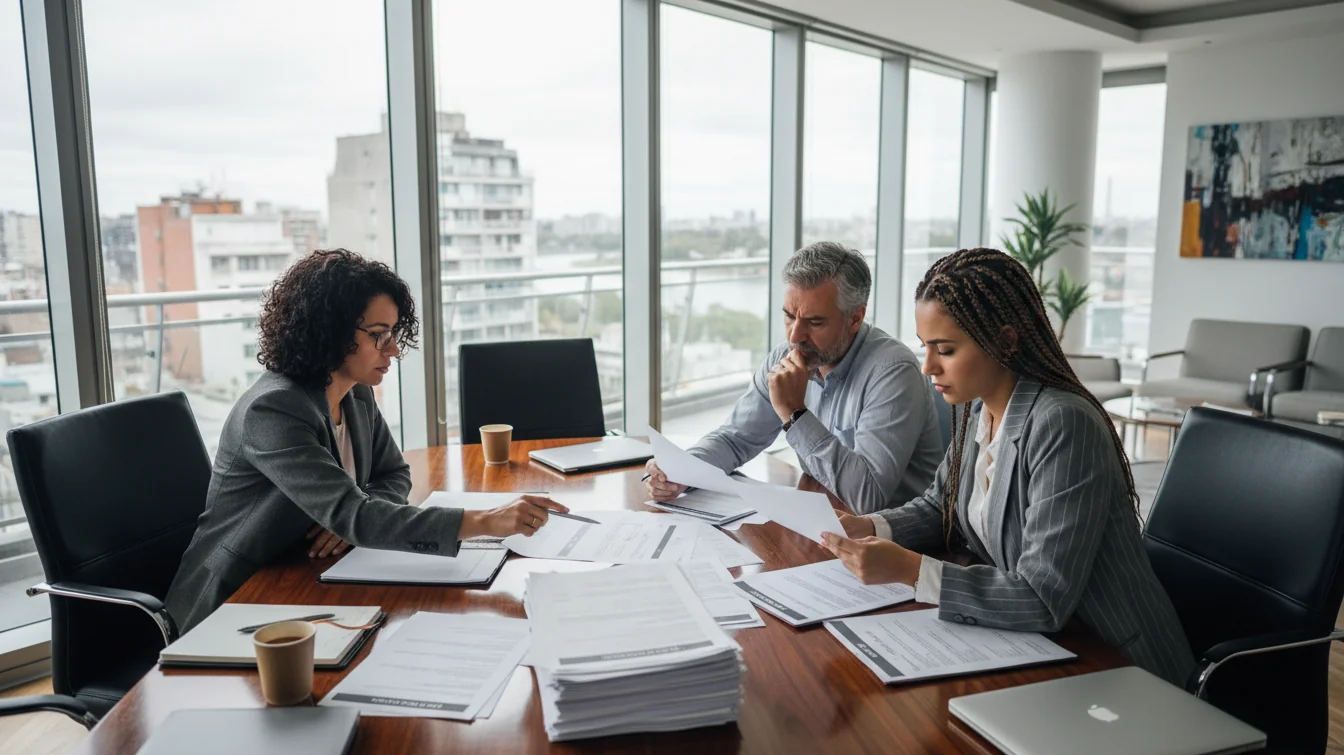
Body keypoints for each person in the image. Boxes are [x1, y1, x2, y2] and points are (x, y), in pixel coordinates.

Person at [820, 247, 1194, 686]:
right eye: (926, 347)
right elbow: (940, 506)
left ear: (1005, 341)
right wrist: (869, 527)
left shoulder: (1062, 423)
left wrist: (911, 571)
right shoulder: (980, 410)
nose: (928, 367)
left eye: (945, 349)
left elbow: (1042, 597)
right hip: (1044, 648)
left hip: (1115, 661)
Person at [165, 249, 566, 632]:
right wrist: (486, 521)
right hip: (237, 598)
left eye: (392, 332)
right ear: (329, 332)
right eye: (378, 335)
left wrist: (350, 519)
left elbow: (394, 474)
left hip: (311, 574)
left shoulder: (355, 393)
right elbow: (354, 513)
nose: (393, 349)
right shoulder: (273, 410)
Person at [644, 242, 943, 515]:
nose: (795, 336)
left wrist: (795, 414)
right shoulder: (786, 357)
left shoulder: (893, 371)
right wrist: (681, 471)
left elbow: (867, 497)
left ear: (855, 318)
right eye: (789, 316)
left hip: (895, 540)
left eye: (815, 322)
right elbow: (736, 438)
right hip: (823, 519)